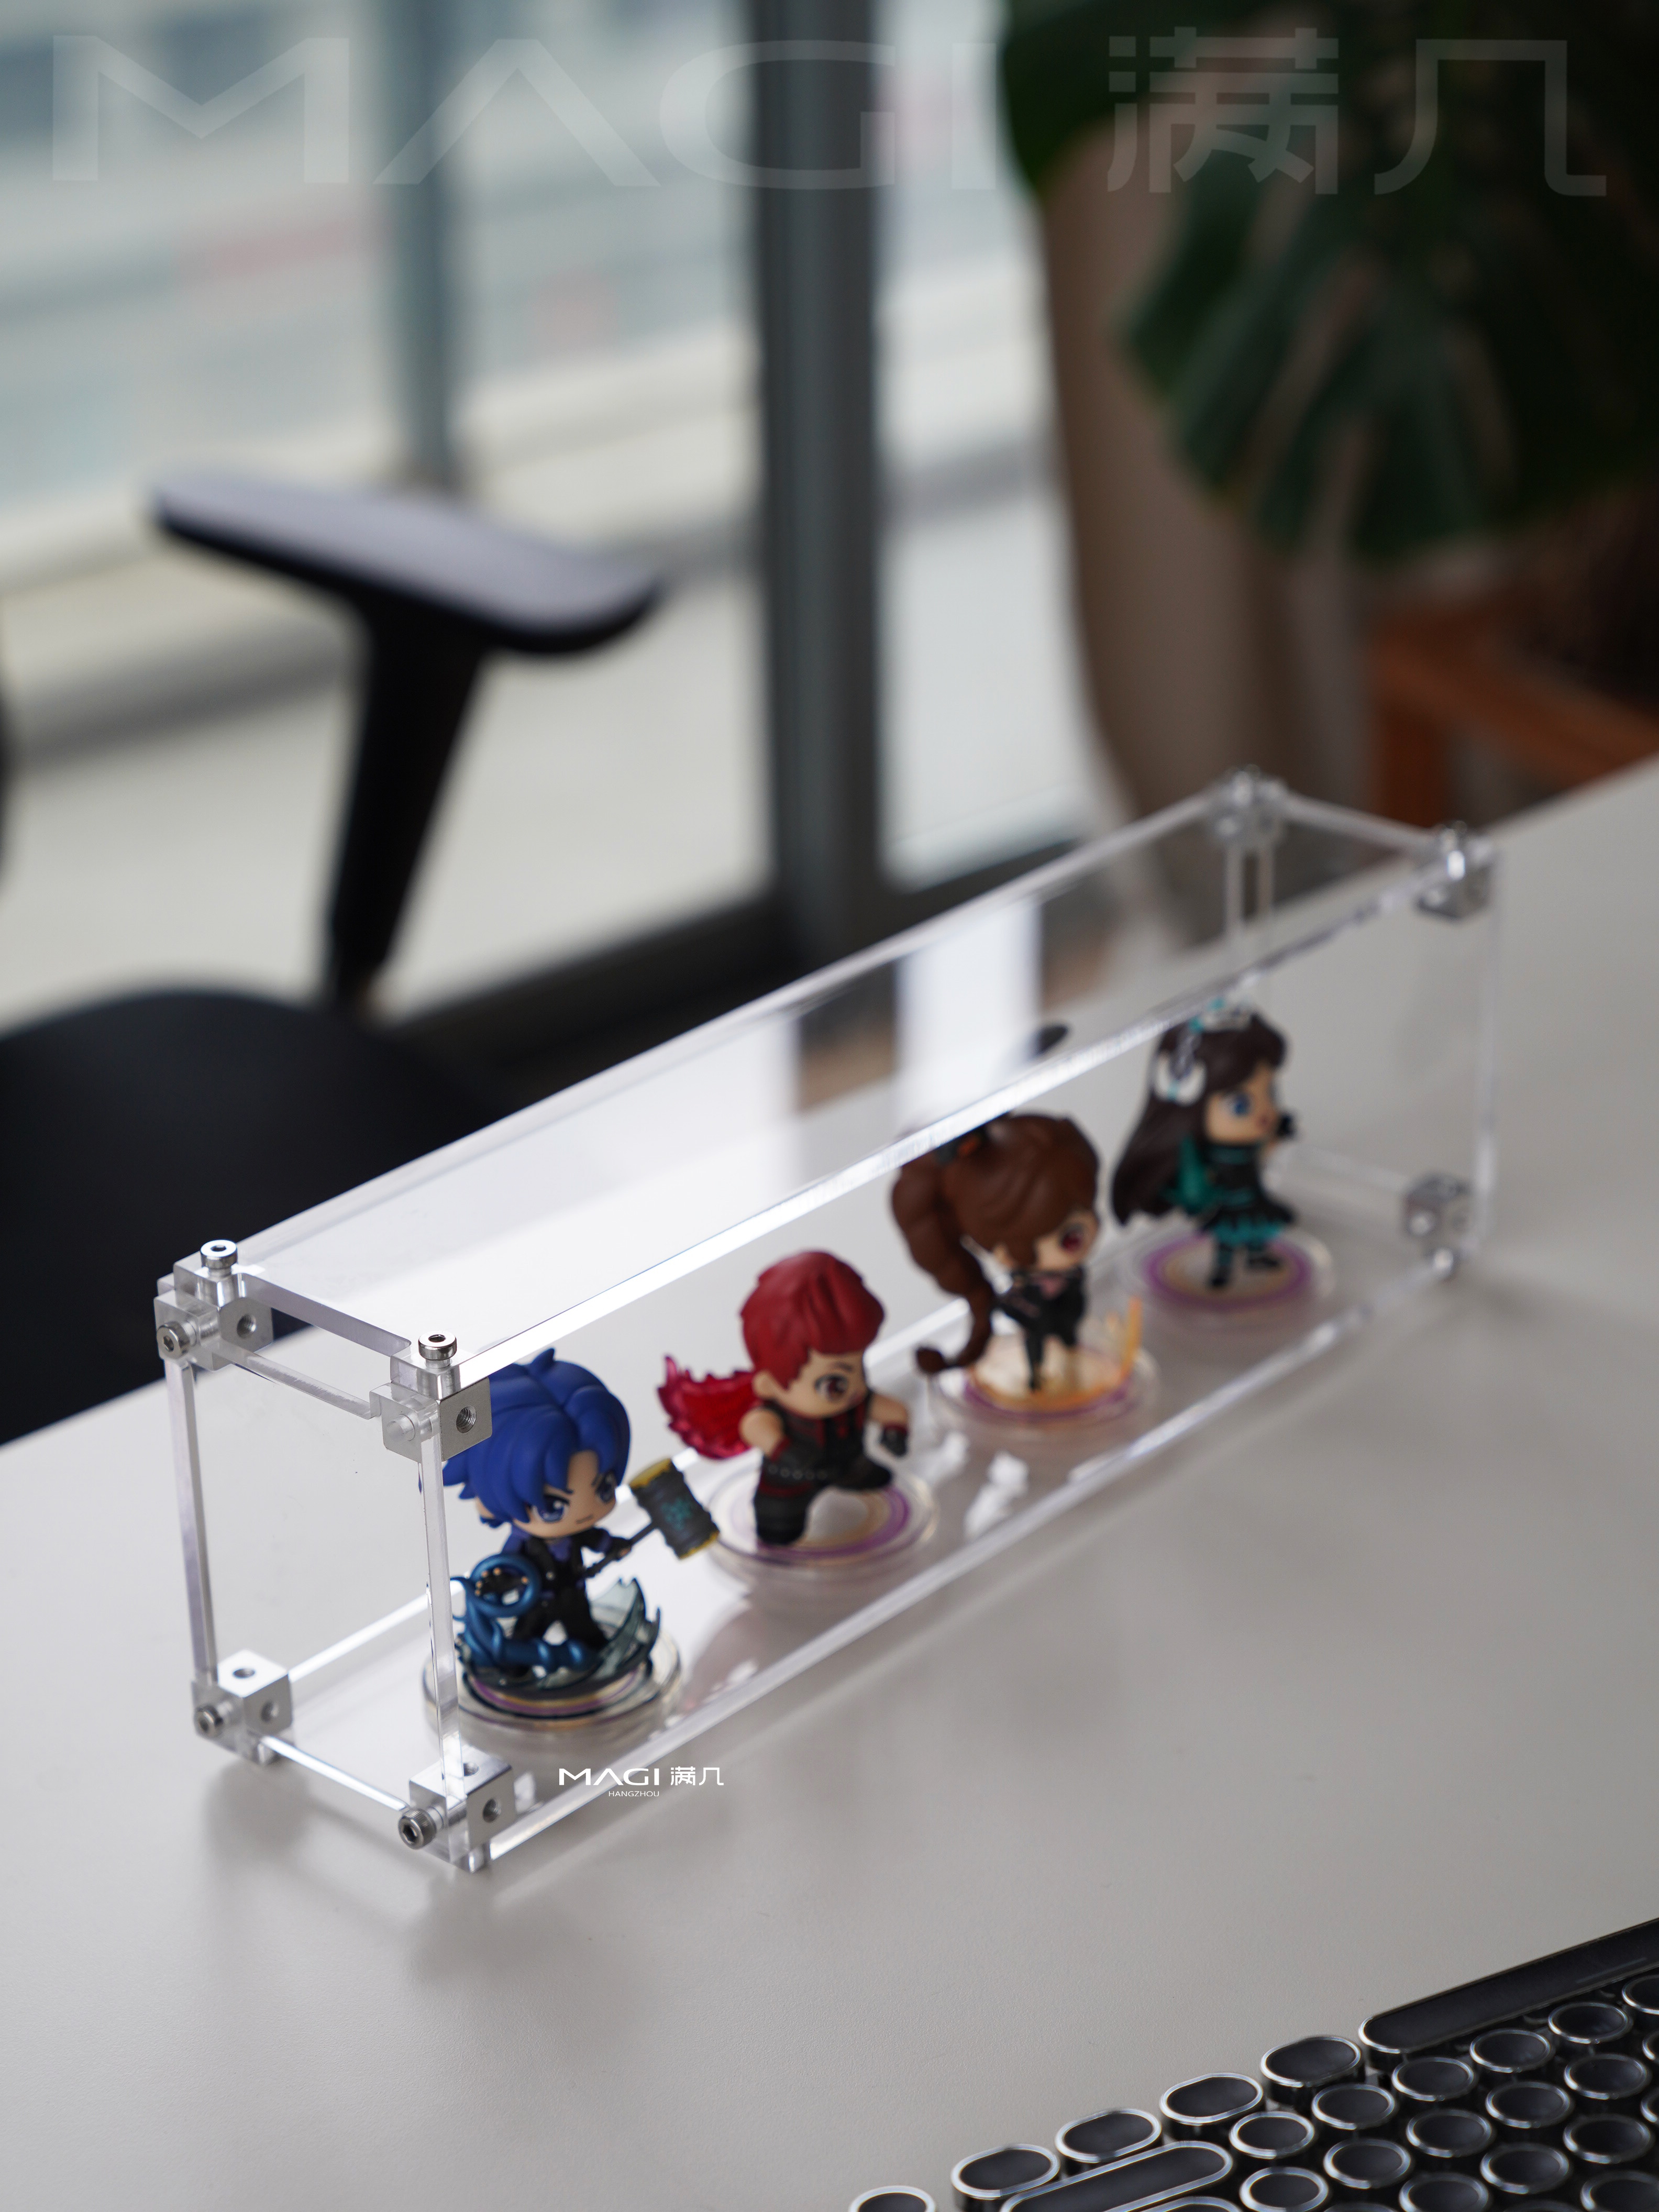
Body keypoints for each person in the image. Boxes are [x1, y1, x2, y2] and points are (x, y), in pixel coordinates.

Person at [660, 1251, 910, 1547]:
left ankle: (851, 1475)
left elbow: (888, 1409)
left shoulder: (855, 1401)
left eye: (859, 1368)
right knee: (778, 1525)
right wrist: (785, 1451)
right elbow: (755, 1426)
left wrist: (896, 1429)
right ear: (768, 1385)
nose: (856, 1387)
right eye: (835, 1383)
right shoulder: (776, 1412)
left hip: (849, 1463)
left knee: (865, 1476)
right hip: (790, 1484)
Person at [445, 1349, 642, 1678]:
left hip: (575, 1596)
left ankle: (598, 1665)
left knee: (589, 1637)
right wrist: (498, 1585)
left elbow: (593, 1537)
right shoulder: (523, 1542)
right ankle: (513, 1672)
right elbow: (508, 1567)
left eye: (604, 1488)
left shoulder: (577, 1532)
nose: (583, 1514)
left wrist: (613, 1545)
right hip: (539, 1602)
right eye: (553, 1507)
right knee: (524, 1639)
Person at [891, 1114, 1102, 1389]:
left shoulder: (1066, 1275)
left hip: (1066, 1315)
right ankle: (1037, 1378)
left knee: (1069, 1341)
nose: (1091, 1230)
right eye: (1070, 1238)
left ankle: (1067, 1361)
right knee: (1037, 1346)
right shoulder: (1023, 1282)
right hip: (1038, 1321)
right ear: (1005, 1255)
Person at [1109, 1004, 1296, 1289]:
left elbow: (1263, 1154)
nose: (1264, 1112)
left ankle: (1257, 1256)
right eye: (1240, 1105)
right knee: (1228, 1236)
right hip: (1229, 1202)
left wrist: (1277, 1137)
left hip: (1253, 1197)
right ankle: (1223, 1266)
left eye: (1271, 1093)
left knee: (1256, 1229)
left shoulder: (1251, 1144)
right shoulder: (1209, 1154)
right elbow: (1201, 1181)